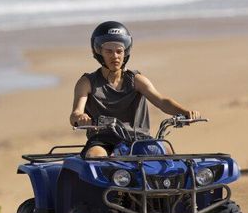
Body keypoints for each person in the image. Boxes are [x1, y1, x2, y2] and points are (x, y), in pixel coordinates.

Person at [69, 21, 201, 156]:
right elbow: (75, 114)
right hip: (103, 140)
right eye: (109, 51)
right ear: (98, 52)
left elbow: (161, 101)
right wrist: (81, 117)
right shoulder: (87, 82)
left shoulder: (136, 80)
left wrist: (185, 112)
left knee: (166, 152)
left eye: (119, 51)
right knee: (94, 156)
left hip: (139, 139)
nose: (115, 56)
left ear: (125, 52)